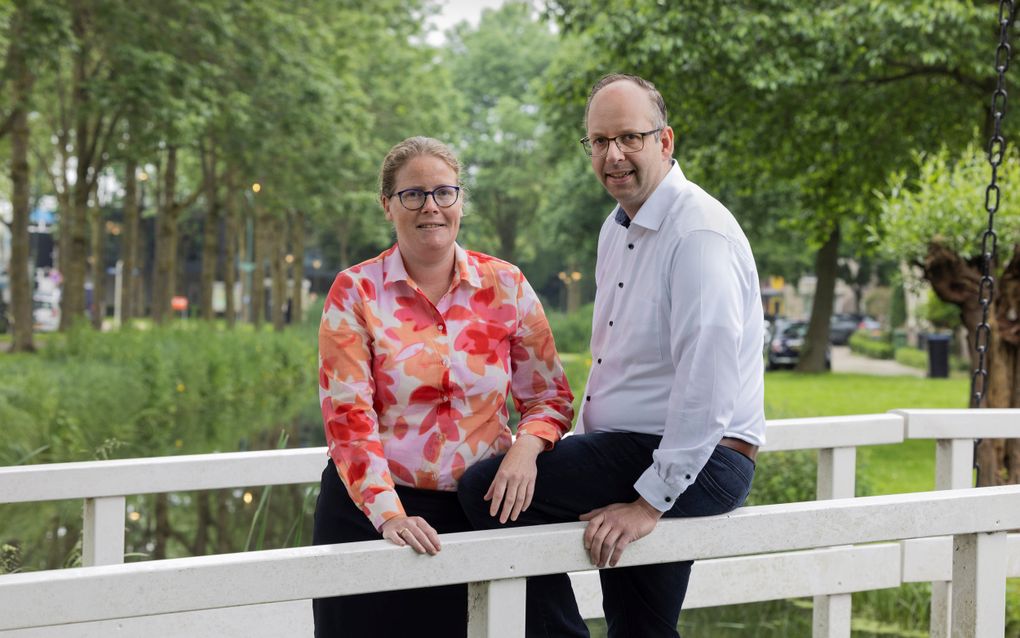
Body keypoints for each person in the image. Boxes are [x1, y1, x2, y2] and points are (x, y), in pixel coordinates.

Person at [458, 73, 766, 637]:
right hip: (639, 450)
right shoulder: (617, 227)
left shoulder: (697, 234)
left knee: (487, 493)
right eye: (598, 141)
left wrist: (650, 503)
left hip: (698, 460)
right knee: (641, 629)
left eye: (629, 137)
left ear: (665, 142)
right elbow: (615, 362)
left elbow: (709, 380)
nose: (613, 155)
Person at [313, 136, 574, 638]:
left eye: (444, 193)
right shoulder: (355, 291)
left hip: (483, 506)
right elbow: (349, 420)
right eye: (413, 195)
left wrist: (526, 449)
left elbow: (550, 396)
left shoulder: (508, 285)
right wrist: (389, 516)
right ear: (388, 205)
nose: (430, 206)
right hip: (374, 514)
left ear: (460, 202)